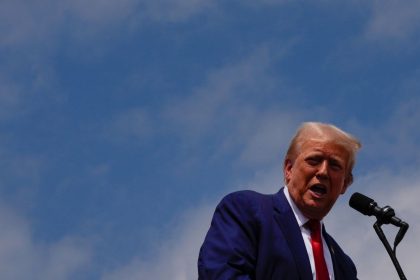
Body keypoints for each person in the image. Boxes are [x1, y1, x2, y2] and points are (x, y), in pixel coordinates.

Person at [198, 122, 361, 280]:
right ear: (289, 169)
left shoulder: (343, 265)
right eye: (314, 160)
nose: (323, 172)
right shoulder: (246, 211)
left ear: (344, 184)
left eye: (335, 165)